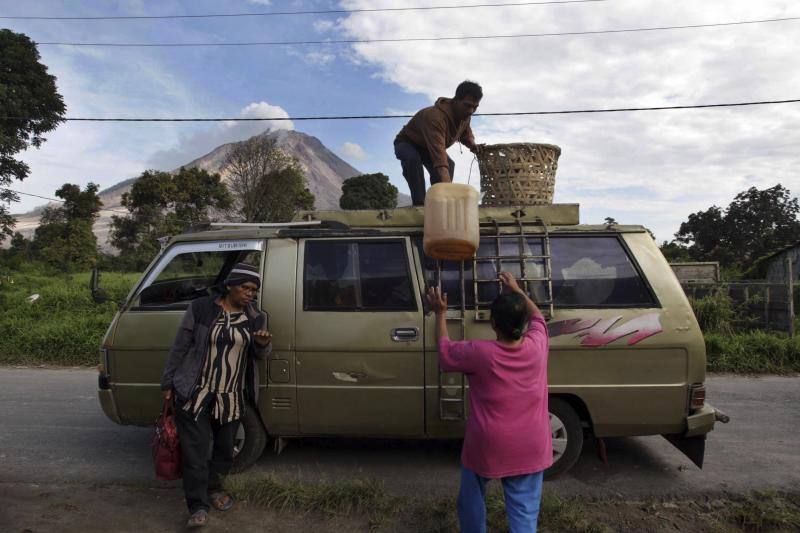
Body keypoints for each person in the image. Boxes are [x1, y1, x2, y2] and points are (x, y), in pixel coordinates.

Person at [426, 271, 552, 533]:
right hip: (532, 442)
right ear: (522, 323)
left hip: (488, 442)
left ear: (493, 324)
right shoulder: (538, 344)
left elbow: (446, 354)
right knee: (525, 510)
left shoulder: (480, 353)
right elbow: (538, 317)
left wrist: (440, 313)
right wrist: (517, 290)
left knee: (472, 495)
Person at [160, 263, 272, 528]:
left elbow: (259, 355)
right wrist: (167, 382)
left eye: (254, 291)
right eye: (246, 288)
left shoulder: (256, 318)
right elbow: (180, 346)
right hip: (195, 393)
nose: (250, 294)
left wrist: (263, 344)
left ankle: (214, 489)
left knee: (224, 451)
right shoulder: (201, 309)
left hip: (231, 396)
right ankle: (197, 506)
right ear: (230, 285)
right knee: (195, 453)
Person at [394, 80, 482, 206]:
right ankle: (420, 204)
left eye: (475, 107)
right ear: (456, 100)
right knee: (413, 160)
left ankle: (438, 203)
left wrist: (472, 145)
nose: (471, 111)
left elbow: (466, 134)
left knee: (449, 165)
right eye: (468, 105)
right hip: (407, 143)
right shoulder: (435, 117)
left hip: (427, 148)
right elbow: (439, 155)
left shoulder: (465, 116)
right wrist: (449, 190)